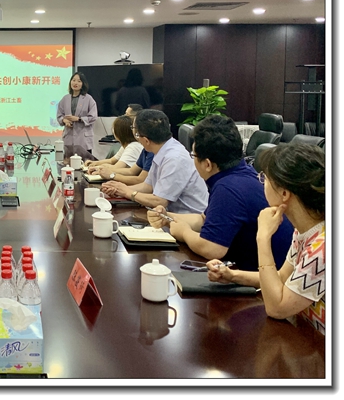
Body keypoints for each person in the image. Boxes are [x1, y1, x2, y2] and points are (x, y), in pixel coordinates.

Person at [147, 115, 293, 271]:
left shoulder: (228, 188)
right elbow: (204, 220)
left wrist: (184, 233)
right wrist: (167, 217)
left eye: (194, 155)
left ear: (207, 164)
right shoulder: (241, 173)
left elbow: (212, 248)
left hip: (264, 278)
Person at [206, 143, 325, 334]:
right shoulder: (304, 231)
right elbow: (281, 278)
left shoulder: (323, 248)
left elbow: (277, 307)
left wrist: (263, 237)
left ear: (284, 193)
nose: (261, 182)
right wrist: (233, 276)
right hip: (306, 336)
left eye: (265, 178)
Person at [104, 109, 208, 214]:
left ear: (146, 140)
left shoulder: (174, 158)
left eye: (137, 134)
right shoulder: (161, 150)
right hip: (169, 215)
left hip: (188, 218)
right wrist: (119, 189)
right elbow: (148, 187)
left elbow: (160, 201)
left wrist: (127, 192)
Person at [56, 72, 97, 159]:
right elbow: (59, 115)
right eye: (73, 80)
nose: (75, 83)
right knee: (68, 163)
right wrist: (64, 120)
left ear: (83, 84)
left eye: (79, 81)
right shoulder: (65, 98)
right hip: (69, 137)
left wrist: (79, 119)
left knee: (85, 163)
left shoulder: (88, 99)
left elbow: (93, 117)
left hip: (83, 139)